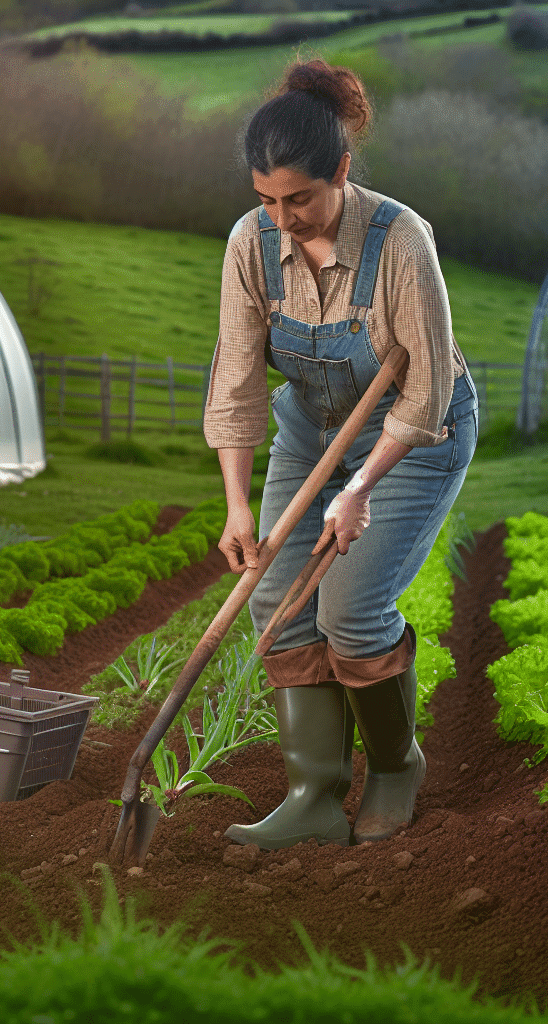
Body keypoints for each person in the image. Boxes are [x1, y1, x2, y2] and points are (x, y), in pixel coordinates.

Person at [202, 58, 477, 849]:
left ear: (342, 174)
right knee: (274, 600)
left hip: (415, 437)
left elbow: (424, 393)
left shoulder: (401, 242)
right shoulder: (251, 245)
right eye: (266, 200)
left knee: (351, 611)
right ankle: (315, 796)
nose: (282, 218)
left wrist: (358, 489)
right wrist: (237, 503)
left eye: (300, 199)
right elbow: (236, 381)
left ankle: (394, 769)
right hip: (313, 431)